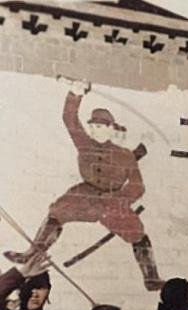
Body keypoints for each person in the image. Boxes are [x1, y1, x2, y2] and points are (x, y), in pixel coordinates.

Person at [4, 79, 163, 291]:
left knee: (138, 233)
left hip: (113, 201)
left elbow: (137, 187)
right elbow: (69, 119)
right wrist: (75, 94)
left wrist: (118, 200)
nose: (96, 131)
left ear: (110, 129)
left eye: (101, 127)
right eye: (93, 126)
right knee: (57, 211)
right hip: (84, 195)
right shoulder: (85, 144)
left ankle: (151, 277)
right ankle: (32, 254)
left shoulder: (125, 155)